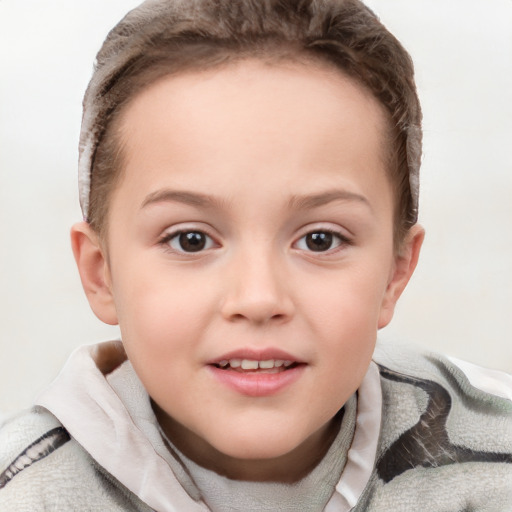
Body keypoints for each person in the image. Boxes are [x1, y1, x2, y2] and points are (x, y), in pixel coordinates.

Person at [1, 0, 511, 510]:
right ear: (101, 273)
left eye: (320, 239)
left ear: (396, 271)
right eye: (191, 239)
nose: (259, 298)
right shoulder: (24, 491)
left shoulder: (495, 466)